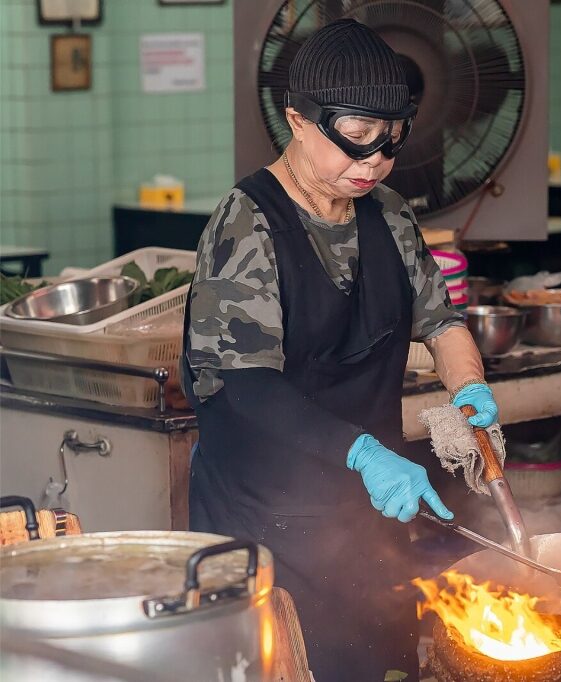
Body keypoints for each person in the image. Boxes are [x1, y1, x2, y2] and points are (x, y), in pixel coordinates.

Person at [181, 20, 496, 681]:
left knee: (381, 662)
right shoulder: (247, 224)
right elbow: (247, 387)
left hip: (364, 514)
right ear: (297, 119)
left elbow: (442, 323)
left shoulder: (390, 214)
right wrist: (363, 452)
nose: (377, 160)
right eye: (357, 138)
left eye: (393, 139)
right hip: (264, 517)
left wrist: (471, 395)